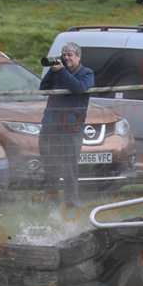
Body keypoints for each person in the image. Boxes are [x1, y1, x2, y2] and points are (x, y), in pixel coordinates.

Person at [39, 42, 94, 207]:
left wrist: (62, 71)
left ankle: (71, 202)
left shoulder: (86, 73)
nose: (66, 57)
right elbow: (43, 88)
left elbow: (78, 88)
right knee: (49, 166)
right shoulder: (57, 72)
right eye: (64, 54)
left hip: (71, 129)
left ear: (78, 57)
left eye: (70, 55)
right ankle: (51, 201)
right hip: (50, 126)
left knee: (69, 168)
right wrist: (52, 68)